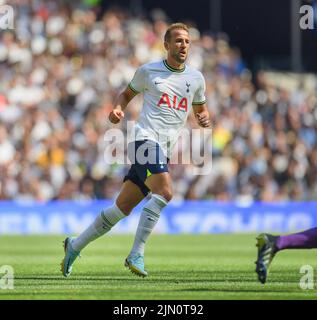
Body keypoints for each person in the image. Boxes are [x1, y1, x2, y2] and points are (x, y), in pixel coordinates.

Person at [60, 22, 211, 278]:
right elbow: (126, 95)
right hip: (144, 140)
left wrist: (204, 117)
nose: (183, 45)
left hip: (163, 150)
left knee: (121, 208)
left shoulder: (196, 79)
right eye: (178, 40)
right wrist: (118, 109)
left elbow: (200, 110)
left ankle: (74, 245)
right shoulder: (148, 71)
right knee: (165, 191)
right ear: (166, 45)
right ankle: (136, 253)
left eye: (186, 41)